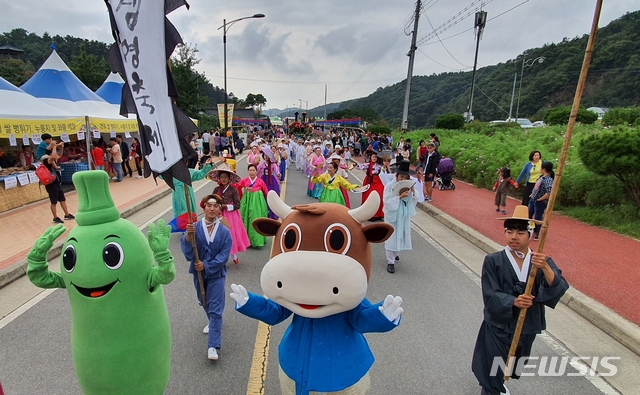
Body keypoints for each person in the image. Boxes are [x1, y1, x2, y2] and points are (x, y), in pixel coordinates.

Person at [471, 205, 569, 395]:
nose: (514, 237)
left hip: (527, 324)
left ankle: (498, 385)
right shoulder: (494, 260)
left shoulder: (541, 260)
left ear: (530, 235)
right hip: (499, 324)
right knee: (491, 366)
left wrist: (546, 269)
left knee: (512, 364)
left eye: (520, 232)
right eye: (509, 231)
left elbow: (559, 286)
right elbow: (490, 293)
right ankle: (492, 388)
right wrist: (513, 302)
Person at [181, 194, 233, 361]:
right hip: (198, 273)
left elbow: (224, 256)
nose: (212, 208)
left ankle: (213, 346)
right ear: (204, 208)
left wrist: (207, 265)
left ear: (219, 209)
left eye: (216, 206)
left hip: (216, 273)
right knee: (204, 300)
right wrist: (188, 236)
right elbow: (188, 252)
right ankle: (212, 321)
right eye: (209, 205)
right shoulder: (194, 227)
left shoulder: (225, 232)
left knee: (216, 308)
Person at [383, 160, 419, 273]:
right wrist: (398, 197)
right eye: (401, 177)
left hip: (403, 214)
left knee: (402, 234)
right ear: (396, 175)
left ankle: (396, 252)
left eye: (405, 177)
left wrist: (413, 193)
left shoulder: (408, 186)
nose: (403, 179)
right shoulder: (389, 186)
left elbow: (414, 200)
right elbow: (387, 201)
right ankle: (390, 261)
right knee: (391, 236)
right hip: (392, 214)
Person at [211, 165, 250, 265]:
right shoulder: (216, 190)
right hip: (218, 215)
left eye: (225, 177)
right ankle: (221, 257)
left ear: (229, 178)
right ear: (218, 178)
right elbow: (212, 200)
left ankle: (233, 254)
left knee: (230, 235)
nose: (223, 179)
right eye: (221, 177)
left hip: (231, 216)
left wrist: (225, 206)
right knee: (217, 236)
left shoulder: (233, 190)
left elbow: (237, 205)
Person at [237, 164, 269, 247]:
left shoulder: (260, 181)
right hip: (246, 202)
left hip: (257, 203)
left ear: (256, 171)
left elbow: (266, 192)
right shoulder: (244, 180)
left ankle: (256, 240)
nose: (251, 172)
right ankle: (246, 241)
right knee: (245, 219)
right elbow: (236, 186)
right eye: (250, 170)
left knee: (255, 219)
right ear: (248, 171)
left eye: (253, 170)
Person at [40, 153, 75, 224]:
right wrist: (54, 146)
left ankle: (67, 214)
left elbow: (58, 155)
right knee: (53, 202)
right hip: (51, 185)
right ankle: (55, 217)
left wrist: (60, 147)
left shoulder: (52, 163)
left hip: (57, 184)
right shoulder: (47, 163)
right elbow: (53, 157)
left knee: (62, 200)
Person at [528, 161, 554, 240]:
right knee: (529, 215)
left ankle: (537, 233)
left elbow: (549, 192)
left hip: (539, 202)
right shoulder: (541, 177)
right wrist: (532, 194)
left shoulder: (548, 180)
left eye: (541, 167)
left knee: (538, 218)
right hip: (533, 200)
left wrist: (540, 199)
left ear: (544, 169)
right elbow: (536, 187)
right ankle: (530, 230)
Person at [359, 150, 385, 221]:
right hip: (369, 181)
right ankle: (369, 213)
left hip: (377, 181)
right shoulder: (367, 165)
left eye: (375, 157)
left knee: (380, 195)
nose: (374, 158)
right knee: (368, 196)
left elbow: (385, 171)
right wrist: (354, 165)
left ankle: (378, 214)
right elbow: (360, 167)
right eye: (373, 157)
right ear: (370, 157)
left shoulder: (379, 166)